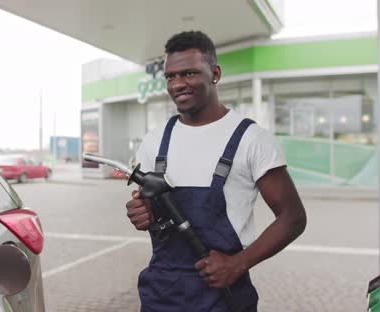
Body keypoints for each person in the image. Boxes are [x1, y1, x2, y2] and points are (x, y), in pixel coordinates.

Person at [125, 30, 307, 312]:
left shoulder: (251, 139)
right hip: (162, 296)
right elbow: (148, 210)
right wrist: (142, 213)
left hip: (223, 298)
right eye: (171, 77)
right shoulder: (155, 141)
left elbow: (293, 217)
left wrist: (239, 263)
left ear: (215, 73)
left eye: (189, 73)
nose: (178, 84)